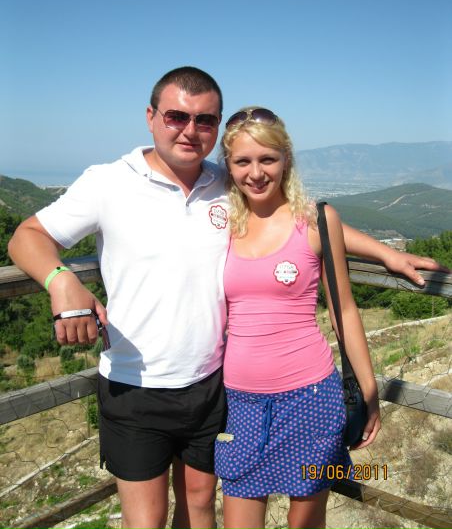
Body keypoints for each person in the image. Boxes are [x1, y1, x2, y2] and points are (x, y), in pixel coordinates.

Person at [7, 67, 445, 529]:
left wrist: (387, 253)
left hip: (221, 387)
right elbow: (27, 236)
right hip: (151, 387)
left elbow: (310, 224)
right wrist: (61, 279)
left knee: (203, 505)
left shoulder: (223, 183)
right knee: (150, 519)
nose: (190, 130)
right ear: (151, 116)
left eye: (204, 120)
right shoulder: (113, 182)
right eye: (177, 116)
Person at [215, 107, 380, 529]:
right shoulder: (219, 225)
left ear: (286, 158)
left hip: (311, 398)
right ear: (228, 165)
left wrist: (369, 389)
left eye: (267, 159)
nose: (256, 173)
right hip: (240, 404)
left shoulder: (315, 221)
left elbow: (344, 308)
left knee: (306, 523)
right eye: (243, 161)